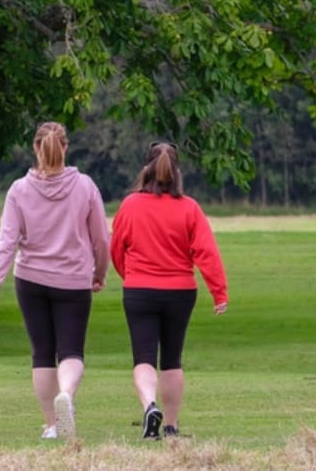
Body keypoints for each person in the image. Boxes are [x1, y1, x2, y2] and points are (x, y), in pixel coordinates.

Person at [0, 122, 110, 440]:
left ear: (35, 148)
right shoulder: (85, 186)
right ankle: (66, 394)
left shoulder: (19, 190)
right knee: (71, 352)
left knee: (42, 354)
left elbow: (6, 240)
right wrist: (100, 273)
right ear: (65, 147)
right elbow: (101, 239)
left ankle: (53, 425)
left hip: (30, 280)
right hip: (73, 280)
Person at [110, 141, 228, 440]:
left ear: (145, 170)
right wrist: (219, 293)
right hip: (180, 291)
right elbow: (207, 253)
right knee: (172, 359)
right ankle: (172, 425)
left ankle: (150, 406)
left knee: (144, 358)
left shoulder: (130, 205)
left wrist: (130, 274)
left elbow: (117, 248)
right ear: (176, 172)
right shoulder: (190, 208)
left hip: (139, 290)